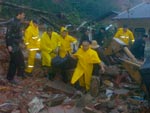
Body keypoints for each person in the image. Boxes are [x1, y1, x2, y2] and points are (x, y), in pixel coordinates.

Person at [6, 10, 26, 84]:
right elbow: (8, 34)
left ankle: (20, 74)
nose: (24, 16)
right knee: (14, 62)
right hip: (12, 45)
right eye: (23, 15)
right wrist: (9, 45)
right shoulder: (13, 22)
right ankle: (10, 78)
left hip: (16, 44)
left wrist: (21, 41)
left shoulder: (18, 22)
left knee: (21, 59)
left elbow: (18, 33)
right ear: (19, 14)